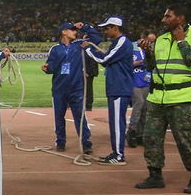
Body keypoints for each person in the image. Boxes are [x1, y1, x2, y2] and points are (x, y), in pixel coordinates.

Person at [135, 6, 191, 194]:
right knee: (151, 137)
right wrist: (149, 53)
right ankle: (155, 176)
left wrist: (181, 41)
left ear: (181, 17)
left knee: (184, 140)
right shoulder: (161, 39)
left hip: (183, 96)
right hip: (157, 97)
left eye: (168, 16)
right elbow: (153, 67)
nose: (163, 19)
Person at [81, 15, 134, 164]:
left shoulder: (122, 42)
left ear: (115, 28)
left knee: (117, 123)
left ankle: (118, 155)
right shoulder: (117, 42)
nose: (105, 31)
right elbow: (107, 62)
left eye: (107, 28)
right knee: (115, 122)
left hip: (120, 87)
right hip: (116, 87)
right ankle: (116, 152)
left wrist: (88, 49)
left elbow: (104, 60)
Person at [42, 21, 98, 154]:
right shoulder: (55, 49)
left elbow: (97, 38)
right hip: (59, 89)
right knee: (59, 117)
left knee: (80, 116)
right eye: (72, 30)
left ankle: (86, 143)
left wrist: (84, 27)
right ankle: (60, 142)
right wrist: (47, 68)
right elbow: (52, 67)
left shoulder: (79, 45)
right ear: (64, 32)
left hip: (76, 88)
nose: (75, 32)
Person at [125, 30, 155, 148]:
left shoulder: (150, 50)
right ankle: (132, 132)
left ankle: (141, 135)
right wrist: (142, 61)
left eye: (153, 41)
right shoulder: (132, 47)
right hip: (134, 81)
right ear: (142, 38)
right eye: (149, 41)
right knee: (139, 104)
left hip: (146, 81)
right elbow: (128, 64)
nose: (151, 43)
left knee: (146, 108)